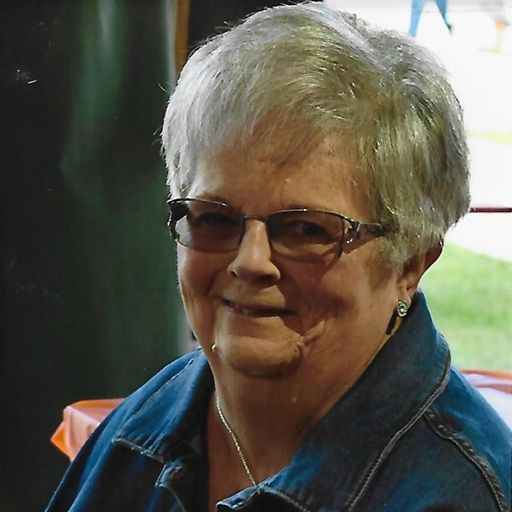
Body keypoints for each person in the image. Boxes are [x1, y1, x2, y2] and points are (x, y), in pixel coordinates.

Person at [46, 2, 511, 511]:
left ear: (411, 263)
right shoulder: (141, 430)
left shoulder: (459, 496)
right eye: (215, 218)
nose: (250, 261)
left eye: (306, 229)